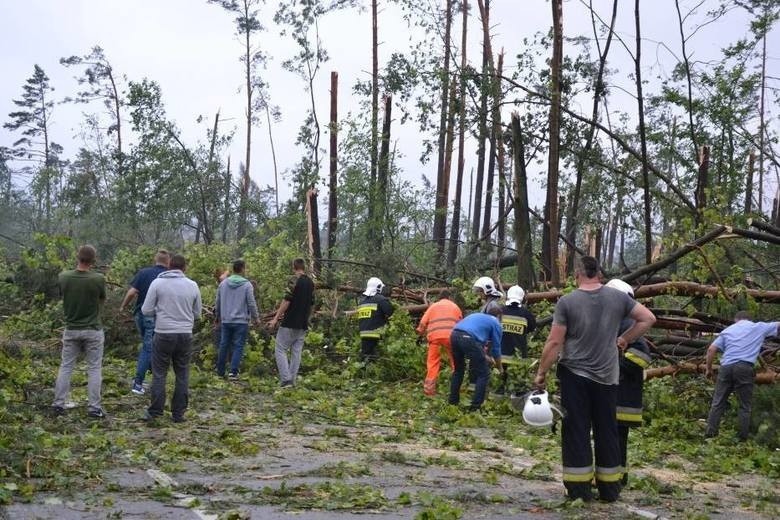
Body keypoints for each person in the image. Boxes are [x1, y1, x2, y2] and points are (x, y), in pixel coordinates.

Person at [534, 256, 655, 502]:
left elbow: (555, 341)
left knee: (577, 430)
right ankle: (610, 489)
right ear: (598, 274)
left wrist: (541, 373)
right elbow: (648, 319)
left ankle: (578, 490)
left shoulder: (567, 302)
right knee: (607, 430)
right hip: (608, 378)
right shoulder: (619, 298)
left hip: (575, 376)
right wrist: (625, 339)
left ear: (577, 274)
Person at [141, 254, 202, 423]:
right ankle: (178, 413)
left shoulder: (158, 283)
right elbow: (197, 313)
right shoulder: (192, 285)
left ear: (169, 266)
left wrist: (160, 312)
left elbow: (146, 310)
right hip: (185, 334)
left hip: (163, 333)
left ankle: (156, 411)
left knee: (159, 373)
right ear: (184, 268)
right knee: (182, 373)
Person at [704, 311, 780, 441]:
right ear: (749, 319)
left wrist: (708, 369)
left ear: (736, 320)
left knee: (718, 402)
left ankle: (710, 434)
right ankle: (742, 439)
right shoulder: (758, 327)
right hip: (744, 368)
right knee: (744, 405)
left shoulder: (728, 330)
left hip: (726, 367)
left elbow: (711, 349)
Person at [605, 279, 652, 486]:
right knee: (613, 440)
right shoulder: (616, 322)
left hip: (622, 397)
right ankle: (618, 476)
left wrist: (614, 365)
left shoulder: (627, 324)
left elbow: (641, 356)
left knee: (615, 440)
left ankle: (616, 478)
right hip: (616, 394)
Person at [51, 245, 107, 419]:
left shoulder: (63, 277)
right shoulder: (98, 279)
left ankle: (58, 405)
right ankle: (94, 408)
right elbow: (102, 299)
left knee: (66, 366)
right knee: (94, 368)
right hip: (93, 330)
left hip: (71, 329)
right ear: (93, 260)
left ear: (78, 257)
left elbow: (62, 296)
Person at [119, 249, 170, 395]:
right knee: (149, 347)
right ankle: (138, 383)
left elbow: (131, 292)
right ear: (168, 262)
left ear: (155, 259)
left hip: (141, 314)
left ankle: (152, 378)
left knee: (150, 346)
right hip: (157, 316)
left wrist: (123, 306)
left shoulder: (144, 273)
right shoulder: (166, 276)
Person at [270, 258, 315, 388]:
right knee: (296, 352)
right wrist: (308, 317)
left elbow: (287, 300)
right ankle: (292, 380)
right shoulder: (311, 283)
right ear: (304, 267)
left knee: (280, 348)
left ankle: (286, 379)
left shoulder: (294, 281)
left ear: (293, 267)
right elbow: (312, 303)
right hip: (302, 323)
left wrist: (276, 318)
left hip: (290, 321)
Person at [448, 306, 503, 411]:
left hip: (454, 335)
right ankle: (475, 407)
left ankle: (452, 403)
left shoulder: (477, 316)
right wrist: (500, 367)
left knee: (458, 371)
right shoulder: (495, 322)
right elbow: (496, 349)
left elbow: (477, 347)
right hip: (469, 338)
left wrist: (485, 357)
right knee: (483, 373)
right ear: (499, 316)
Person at [215, 259, 260, 380]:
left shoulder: (223, 284)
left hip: (226, 320)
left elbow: (218, 302)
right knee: (238, 346)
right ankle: (233, 372)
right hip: (241, 321)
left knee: (224, 344)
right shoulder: (247, 285)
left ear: (233, 269)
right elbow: (251, 303)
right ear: (243, 269)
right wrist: (256, 318)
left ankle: (220, 371)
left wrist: (217, 316)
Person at [416, 289, 463, 396]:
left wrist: (420, 333)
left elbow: (423, 323)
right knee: (455, 363)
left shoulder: (433, 306)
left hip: (435, 339)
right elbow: (461, 324)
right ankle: (457, 389)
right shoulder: (455, 307)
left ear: (439, 298)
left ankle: (429, 391)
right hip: (451, 339)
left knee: (432, 363)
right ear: (449, 297)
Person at [497, 285, 536, 395]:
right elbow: (532, 327)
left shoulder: (500, 311)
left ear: (508, 297)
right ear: (522, 298)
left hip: (502, 354)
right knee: (519, 384)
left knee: (500, 380)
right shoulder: (525, 313)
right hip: (518, 355)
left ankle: (500, 394)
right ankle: (518, 397)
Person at [357, 277, 394, 362]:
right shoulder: (381, 299)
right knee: (377, 360)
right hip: (376, 334)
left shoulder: (362, 302)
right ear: (378, 287)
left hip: (364, 335)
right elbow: (391, 312)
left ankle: (364, 374)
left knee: (366, 358)